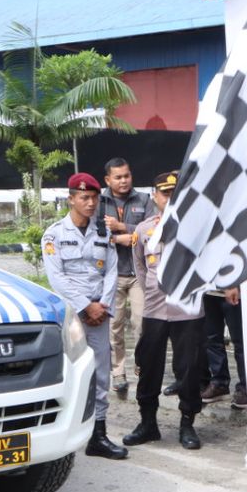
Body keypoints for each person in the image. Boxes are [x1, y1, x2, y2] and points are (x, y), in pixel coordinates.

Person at [42, 173, 127, 460]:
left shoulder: (103, 233)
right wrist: (84, 306)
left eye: (94, 198)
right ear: (71, 199)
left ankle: (98, 435)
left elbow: (112, 271)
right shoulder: (54, 234)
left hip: (99, 315)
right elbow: (57, 278)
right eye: (84, 198)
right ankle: (61, 433)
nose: (91, 203)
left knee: (101, 373)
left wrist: (101, 306)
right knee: (69, 372)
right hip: (72, 315)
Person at [123, 171, 206, 450]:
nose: (170, 198)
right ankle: (148, 424)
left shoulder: (196, 227)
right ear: (155, 196)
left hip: (187, 309)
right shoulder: (143, 230)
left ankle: (187, 423)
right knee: (148, 367)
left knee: (189, 368)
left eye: (175, 193)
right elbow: (141, 268)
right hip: (156, 308)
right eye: (165, 193)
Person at [100, 159, 150, 399]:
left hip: (139, 274)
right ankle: (118, 372)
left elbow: (151, 230)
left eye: (126, 176)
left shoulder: (144, 200)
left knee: (142, 324)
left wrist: (123, 228)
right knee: (114, 326)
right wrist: (126, 235)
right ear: (107, 180)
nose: (123, 181)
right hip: (112, 275)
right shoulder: (99, 203)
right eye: (118, 177)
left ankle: (142, 365)